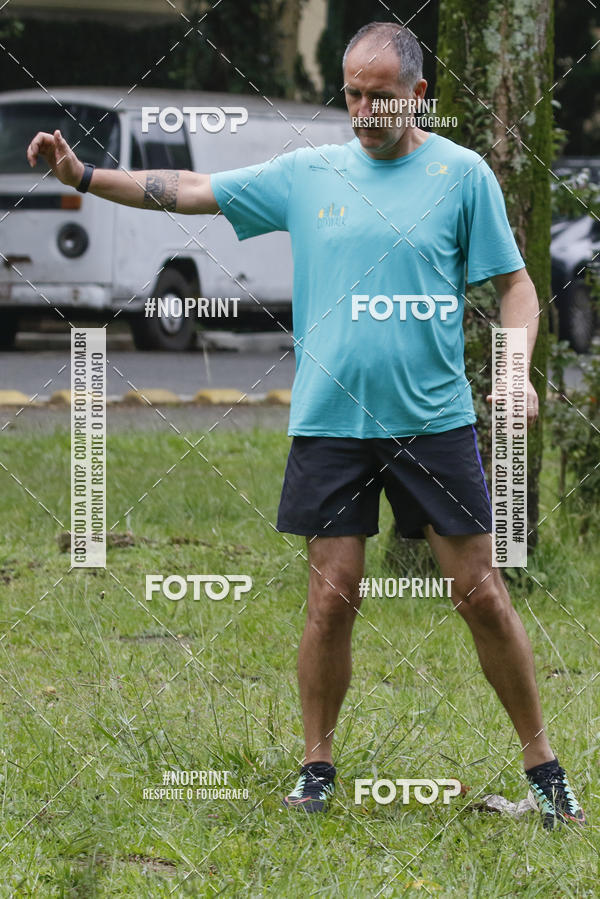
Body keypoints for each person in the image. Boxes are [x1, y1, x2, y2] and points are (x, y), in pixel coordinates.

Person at [27, 21, 586, 830]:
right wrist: (83, 174)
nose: (362, 110)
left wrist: (512, 368)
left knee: (481, 595)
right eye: (351, 94)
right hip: (330, 421)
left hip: (433, 420)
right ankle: (315, 766)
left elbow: (518, 287)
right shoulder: (308, 172)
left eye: (379, 96)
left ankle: (544, 768)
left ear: (418, 95)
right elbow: (189, 188)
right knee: (332, 596)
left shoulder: (462, 176)